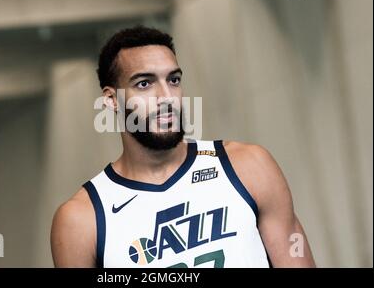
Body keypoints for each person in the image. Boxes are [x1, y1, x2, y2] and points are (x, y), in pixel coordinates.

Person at [50, 25, 315, 268]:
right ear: (111, 99)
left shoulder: (248, 166)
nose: (166, 97)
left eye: (173, 80)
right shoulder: (81, 219)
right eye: (144, 84)